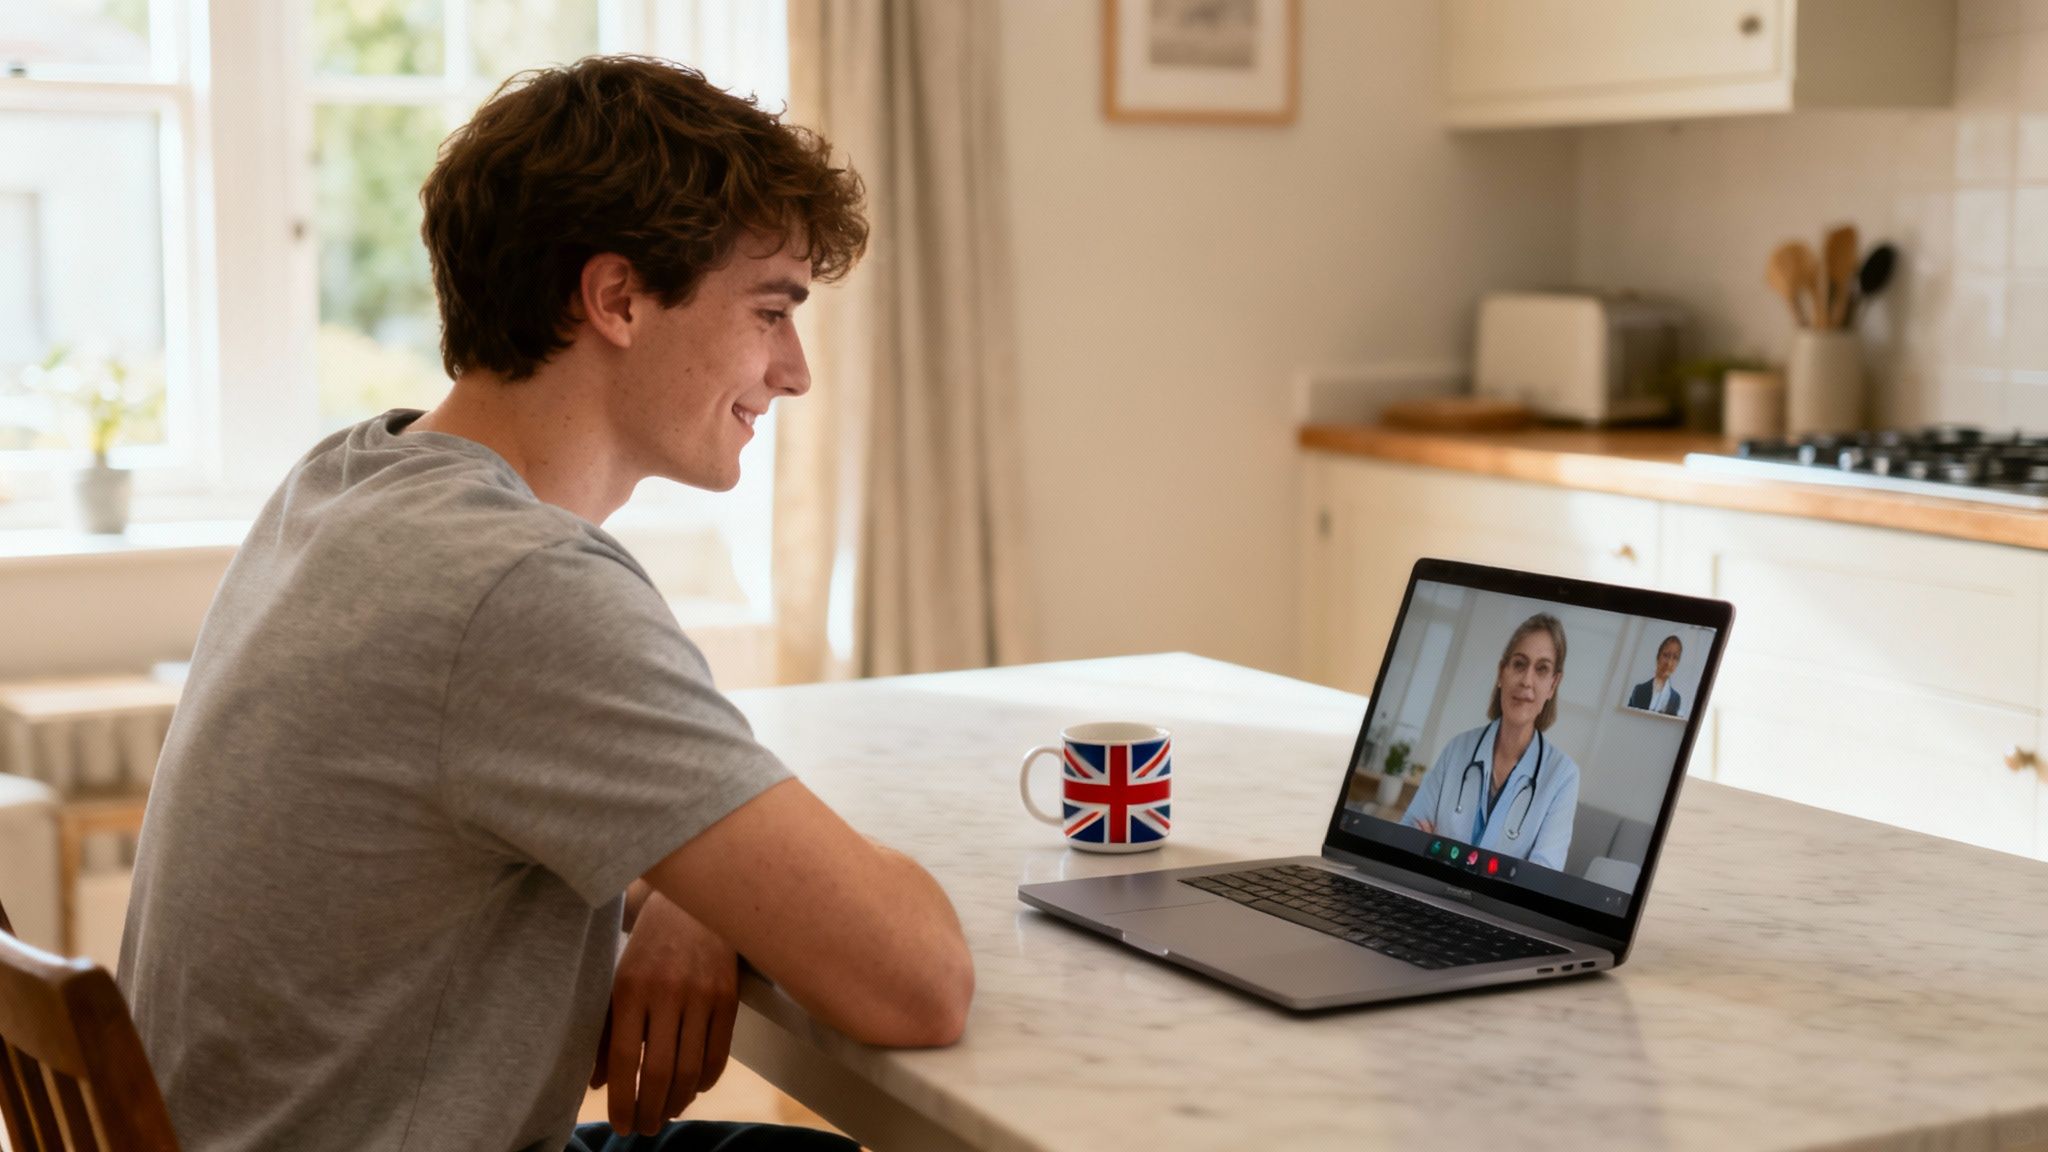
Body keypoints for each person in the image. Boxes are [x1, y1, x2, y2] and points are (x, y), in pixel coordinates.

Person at [118, 57, 973, 1152]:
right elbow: (917, 981)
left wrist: (700, 892)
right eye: (769, 311)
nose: (794, 370)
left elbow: (470, 807)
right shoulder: (514, 586)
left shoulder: (346, 482)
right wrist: (711, 889)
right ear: (616, 298)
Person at [1399, 614, 1581, 872]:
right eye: (1519, 664)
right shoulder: (1456, 750)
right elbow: (1407, 838)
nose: (1527, 681)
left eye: (1541, 669)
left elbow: (1540, 883)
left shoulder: (1563, 777)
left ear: (1553, 685)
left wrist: (1438, 851)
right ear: (1501, 673)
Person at [1627, 635, 1684, 716]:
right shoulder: (1639, 690)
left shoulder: (1676, 699)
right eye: (1666, 655)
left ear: (1678, 663)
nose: (1669, 663)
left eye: (1675, 658)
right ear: (1658, 657)